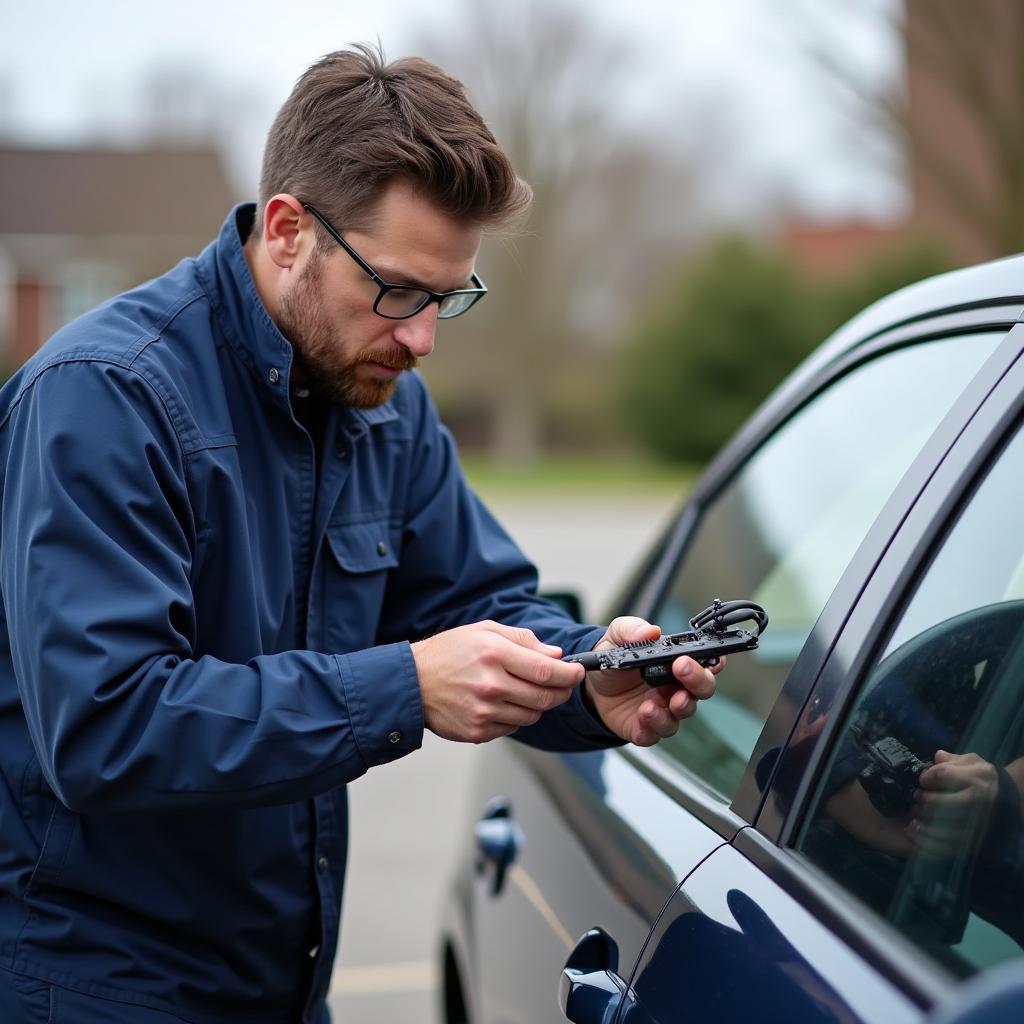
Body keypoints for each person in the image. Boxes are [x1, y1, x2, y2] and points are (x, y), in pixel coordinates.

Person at [0, 45, 720, 1024]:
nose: (423, 338)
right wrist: (405, 685)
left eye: (448, 297)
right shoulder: (104, 398)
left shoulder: (385, 405)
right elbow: (106, 725)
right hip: (89, 988)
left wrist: (591, 681)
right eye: (399, 291)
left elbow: (479, 602)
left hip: (284, 987)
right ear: (290, 230)